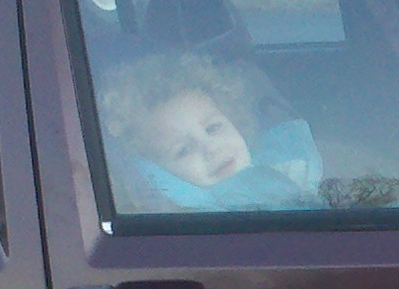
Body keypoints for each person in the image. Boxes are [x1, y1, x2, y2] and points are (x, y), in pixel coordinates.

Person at [104, 54, 324, 213]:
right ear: (160, 174)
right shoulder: (203, 224)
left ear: (234, 120)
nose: (210, 148)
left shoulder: (288, 167)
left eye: (213, 128)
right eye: (183, 150)